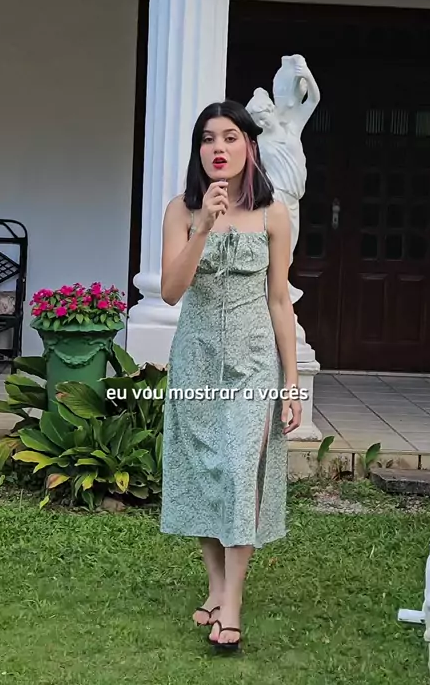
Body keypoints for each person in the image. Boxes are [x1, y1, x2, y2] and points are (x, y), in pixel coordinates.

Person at [160, 100, 301, 652]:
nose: (218, 148)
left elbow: (279, 301)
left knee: (242, 473)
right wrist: (201, 227)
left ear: (249, 146)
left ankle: (232, 606)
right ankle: (216, 586)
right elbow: (170, 292)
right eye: (207, 139)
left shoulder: (273, 214)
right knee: (204, 472)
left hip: (254, 366)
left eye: (230, 137)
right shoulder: (181, 210)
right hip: (196, 361)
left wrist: (291, 382)